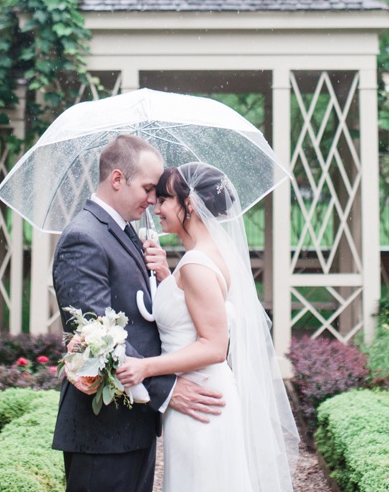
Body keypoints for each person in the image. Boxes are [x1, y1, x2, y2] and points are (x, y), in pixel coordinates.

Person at [51, 135, 225, 492]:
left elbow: (142, 316)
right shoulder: (83, 238)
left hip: (133, 422)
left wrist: (160, 276)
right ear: (117, 179)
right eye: (148, 188)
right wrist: (167, 387)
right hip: (103, 430)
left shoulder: (126, 233)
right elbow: (96, 340)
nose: (152, 200)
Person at [116, 162, 298, 492]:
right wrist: (166, 277)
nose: (156, 208)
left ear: (192, 204)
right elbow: (192, 313)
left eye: (165, 200)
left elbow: (214, 346)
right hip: (201, 396)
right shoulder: (201, 258)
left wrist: (145, 367)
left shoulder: (197, 264)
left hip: (199, 401)